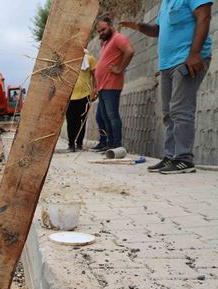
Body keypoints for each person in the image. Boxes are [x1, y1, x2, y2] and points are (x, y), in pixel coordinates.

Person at [121, 1, 213, 174]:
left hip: (186, 59)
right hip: (167, 64)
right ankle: (171, 157)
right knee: (168, 113)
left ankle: (184, 159)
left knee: (181, 110)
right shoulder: (166, 3)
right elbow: (158, 30)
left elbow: (204, 16)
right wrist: (140, 27)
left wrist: (194, 53)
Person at [92, 17, 135, 152]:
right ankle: (109, 144)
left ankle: (116, 145)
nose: (101, 33)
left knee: (112, 116)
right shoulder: (106, 43)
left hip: (112, 85)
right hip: (103, 86)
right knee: (105, 117)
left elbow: (130, 51)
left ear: (111, 26)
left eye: (103, 29)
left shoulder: (118, 38)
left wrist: (120, 68)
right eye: (99, 31)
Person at [66, 49, 97, 151]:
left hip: (85, 95)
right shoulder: (68, 60)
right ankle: (71, 144)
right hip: (69, 96)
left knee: (82, 121)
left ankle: (79, 143)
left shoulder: (90, 59)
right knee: (71, 121)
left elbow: (95, 75)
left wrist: (94, 90)